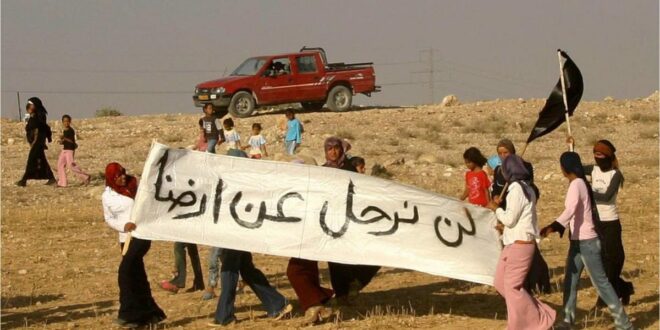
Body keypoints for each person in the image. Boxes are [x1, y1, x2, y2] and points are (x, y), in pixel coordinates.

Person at [540, 152, 633, 330]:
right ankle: (568, 321)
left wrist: (554, 226)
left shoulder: (577, 184)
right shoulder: (580, 182)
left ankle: (625, 325)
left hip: (587, 243)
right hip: (578, 242)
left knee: (602, 284)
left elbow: (570, 209)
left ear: (564, 168)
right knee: (570, 282)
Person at [208, 149, 292, 327]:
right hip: (235, 233)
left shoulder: (244, 184)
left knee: (229, 270)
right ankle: (277, 304)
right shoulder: (237, 183)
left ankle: (225, 316)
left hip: (236, 234)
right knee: (246, 270)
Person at [485, 154, 556, 330]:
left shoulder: (517, 189)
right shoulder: (526, 188)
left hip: (521, 244)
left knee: (512, 288)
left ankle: (530, 323)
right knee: (501, 284)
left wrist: (496, 209)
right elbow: (518, 220)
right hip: (514, 243)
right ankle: (540, 315)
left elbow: (510, 219)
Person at [102, 163, 166, 328]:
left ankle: (128, 313)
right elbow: (109, 218)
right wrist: (123, 226)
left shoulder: (136, 187)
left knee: (125, 271)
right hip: (125, 238)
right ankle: (150, 314)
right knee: (137, 276)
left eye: (123, 173)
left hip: (141, 235)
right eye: (118, 175)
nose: (123, 177)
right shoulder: (107, 196)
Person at [492, 139, 550, 294]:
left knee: (528, 255)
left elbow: (528, 187)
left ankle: (537, 284)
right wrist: (497, 199)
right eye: (500, 153)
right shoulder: (499, 170)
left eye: (506, 153)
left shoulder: (522, 172)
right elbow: (494, 191)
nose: (503, 156)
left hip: (517, 216)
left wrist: (498, 209)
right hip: (505, 212)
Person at [584, 140, 633, 306]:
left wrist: (586, 192)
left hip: (611, 222)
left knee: (614, 259)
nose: (597, 158)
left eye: (601, 155)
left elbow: (606, 197)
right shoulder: (594, 169)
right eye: (595, 155)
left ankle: (608, 296)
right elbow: (574, 167)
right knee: (601, 261)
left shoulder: (615, 175)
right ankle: (622, 288)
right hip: (596, 221)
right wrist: (572, 147)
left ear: (608, 156)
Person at [16, 97, 56, 186]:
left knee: (31, 159)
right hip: (36, 142)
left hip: (37, 142)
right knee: (42, 160)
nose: (30, 107)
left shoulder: (39, 116)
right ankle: (51, 178)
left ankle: (24, 180)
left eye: (31, 105)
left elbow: (41, 127)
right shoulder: (33, 116)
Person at [56, 114, 90, 187]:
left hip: (70, 150)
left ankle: (85, 177)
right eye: (64, 121)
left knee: (71, 166)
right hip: (64, 150)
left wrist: (64, 138)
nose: (66, 123)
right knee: (60, 165)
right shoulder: (64, 131)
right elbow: (66, 141)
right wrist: (61, 141)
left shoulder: (71, 131)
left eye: (67, 121)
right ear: (62, 122)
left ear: (70, 122)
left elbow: (72, 142)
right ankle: (62, 183)